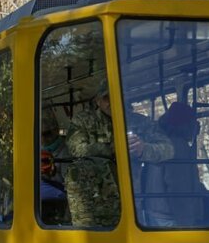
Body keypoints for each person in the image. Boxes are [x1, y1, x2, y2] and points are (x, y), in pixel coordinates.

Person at [65, 80, 173, 227]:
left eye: (117, 96)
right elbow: (76, 149)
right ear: (98, 101)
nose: (112, 102)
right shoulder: (83, 121)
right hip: (93, 203)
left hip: (134, 202)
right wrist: (111, 148)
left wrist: (143, 149)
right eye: (106, 98)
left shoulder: (140, 122)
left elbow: (168, 149)